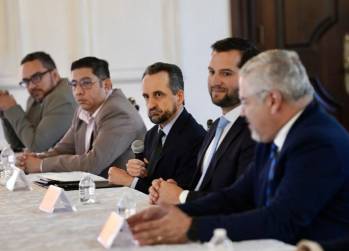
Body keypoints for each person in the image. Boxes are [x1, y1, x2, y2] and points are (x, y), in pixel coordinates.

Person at [127, 49, 349, 245]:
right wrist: (176, 212)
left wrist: (191, 228)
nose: (242, 112)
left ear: (273, 101)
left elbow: (281, 220)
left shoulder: (318, 142)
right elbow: (237, 196)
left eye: (246, 102)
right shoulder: (273, 134)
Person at [148, 37, 257, 205]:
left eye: (226, 73)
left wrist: (182, 196)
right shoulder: (216, 127)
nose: (215, 81)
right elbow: (203, 187)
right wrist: (170, 188)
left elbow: (242, 201)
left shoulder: (256, 129)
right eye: (212, 72)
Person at [17, 56, 146, 177]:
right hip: (94, 187)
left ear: (106, 85)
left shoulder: (118, 114)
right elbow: (63, 149)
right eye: (74, 84)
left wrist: (40, 165)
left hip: (124, 193)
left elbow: (92, 164)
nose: (78, 91)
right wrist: (36, 158)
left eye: (86, 83)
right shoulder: (83, 110)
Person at [108, 62, 206, 193]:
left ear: (179, 96)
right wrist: (138, 172)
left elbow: (179, 198)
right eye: (146, 96)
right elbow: (151, 182)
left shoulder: (197, 138)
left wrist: (130, 181)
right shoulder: (152, 134)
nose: (150, 105)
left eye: (158, 95)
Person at [0, 51, 76, 152]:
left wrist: (12, 108)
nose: (31, 86)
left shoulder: (62, 99)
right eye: (26, 81)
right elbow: (19, 143)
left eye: (36, 78)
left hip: (73, 167)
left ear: (54, 75)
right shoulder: (35, 98)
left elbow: (36, 146)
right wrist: (5, 113)